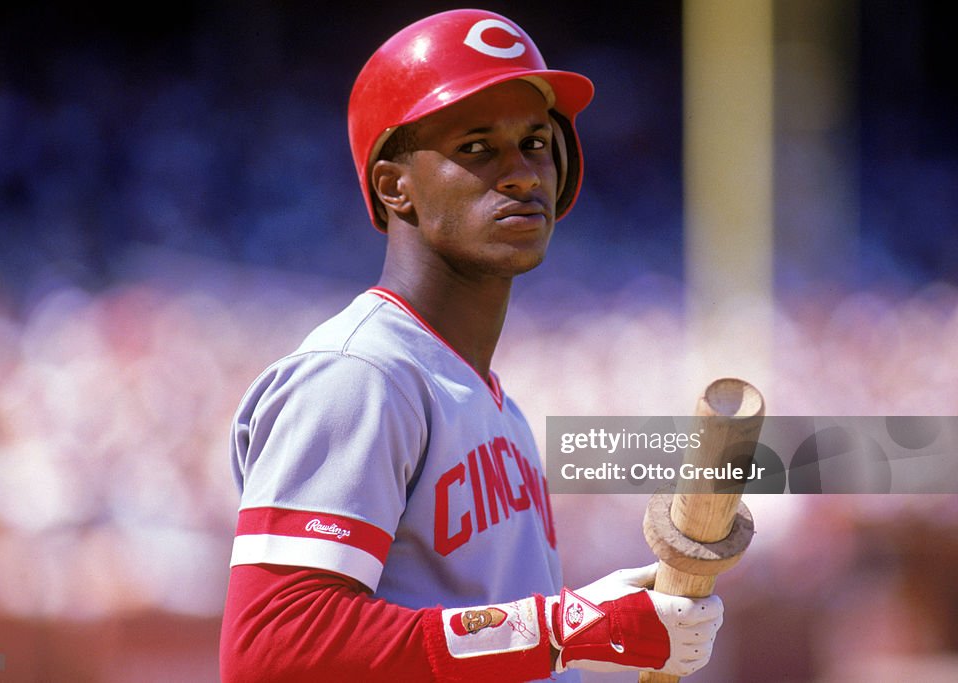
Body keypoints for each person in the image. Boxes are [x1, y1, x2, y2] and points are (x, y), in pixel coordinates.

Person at [220, 9, 723, 682]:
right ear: (394, 185)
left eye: (536, 142)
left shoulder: (494, 404)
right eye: (478, 147)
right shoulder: (359, 373)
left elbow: (501, 653)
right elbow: (273, 646)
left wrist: (593, 632)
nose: (522, 174)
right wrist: (563, 628)